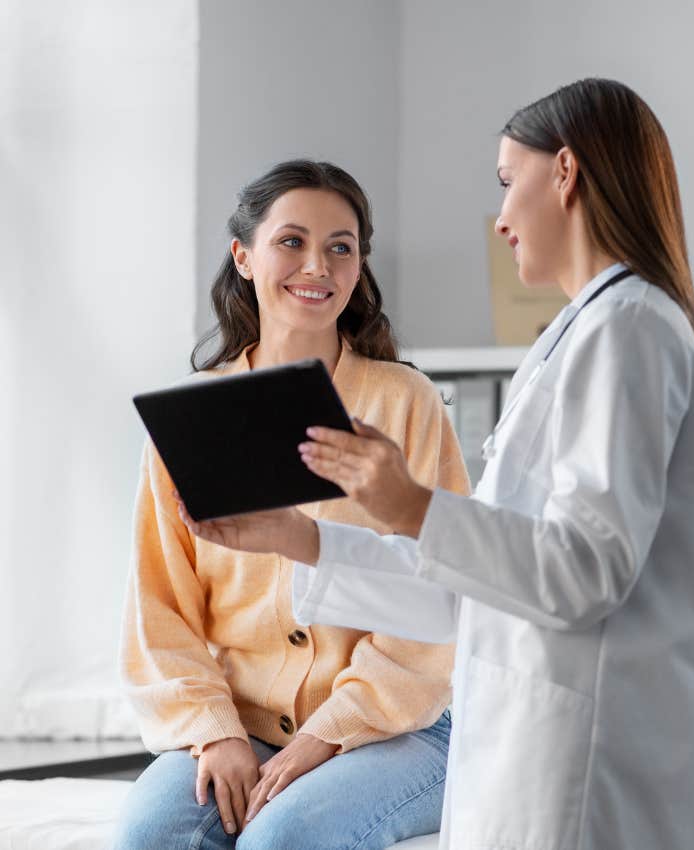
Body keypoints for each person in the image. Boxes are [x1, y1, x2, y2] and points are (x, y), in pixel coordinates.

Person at [180, 79, 694, 850]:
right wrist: (302, 539)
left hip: (586, 769)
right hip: (532, 749)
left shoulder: (629, 329)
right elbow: (471, 592)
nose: (502, 218)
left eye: (510, 183)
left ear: (565, 173)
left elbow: (583, 573)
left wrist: (409, 504)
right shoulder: (580, 334)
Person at [114, 160, 470, 850]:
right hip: (238, 717)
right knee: (150, 837)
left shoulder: (405, 403)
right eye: (292, 242)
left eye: (341, 246)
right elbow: (158, 605)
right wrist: (216, 733)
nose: (319, 265)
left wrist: (323, 737)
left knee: (282, 841)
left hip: (400, 723)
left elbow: (441, 596)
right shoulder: (193, 420)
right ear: (243, 257)